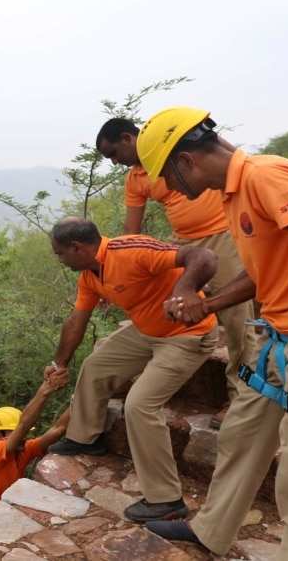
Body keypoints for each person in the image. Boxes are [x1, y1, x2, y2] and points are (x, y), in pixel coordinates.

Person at [136, 107, 288, 560]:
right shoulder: (234, 197)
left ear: (186, 161)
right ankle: (212, 530)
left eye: (169, 179)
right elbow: (264, 273)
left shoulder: (267, 177)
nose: (170, 190)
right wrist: (207, 305)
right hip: (280, 342)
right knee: (241, 437)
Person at [43, 217, 220, 523]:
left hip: (186, 334)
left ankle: (167, 500)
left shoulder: (132, 251)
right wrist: (58, 364)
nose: (59, 259)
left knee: (139, 405)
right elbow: (75, 323)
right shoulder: (89, 276)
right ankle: (86, 437)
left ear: (76, 247)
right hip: (145, 331)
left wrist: (184, 290)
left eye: (60, 253)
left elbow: (203, 256)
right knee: (95, 366)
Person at [97, 118, 254, 428]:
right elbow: (131, 234)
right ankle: (141, 372)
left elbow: (233, 158)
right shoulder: (135, 179)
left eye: (114, 153)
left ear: (128, 138)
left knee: (238, 318)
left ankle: (240, 396)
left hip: (222, 232)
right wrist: (111, 277)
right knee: (154, 296)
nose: (115, 162)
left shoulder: (176, 141)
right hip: (182, 241)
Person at [0, 375, 72, 531]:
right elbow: (24, 425)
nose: (23, 438)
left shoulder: (24, 449)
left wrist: (77, 401)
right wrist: (46, 389)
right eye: (16, 433)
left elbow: (58, 429)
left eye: (23, 435)